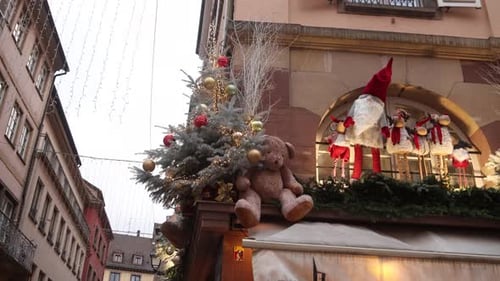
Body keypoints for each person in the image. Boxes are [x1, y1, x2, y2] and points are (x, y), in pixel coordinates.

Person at [344, 58, 392, 180]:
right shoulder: (360, 103)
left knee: (375, 152)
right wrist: (348, 120)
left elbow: (382, 118)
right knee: (358, 152)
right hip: (360, 130)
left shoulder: (378, 107)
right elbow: (352, 112)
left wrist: (385, 128)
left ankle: (377, 175)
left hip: (372, 131)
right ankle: (356, 175)